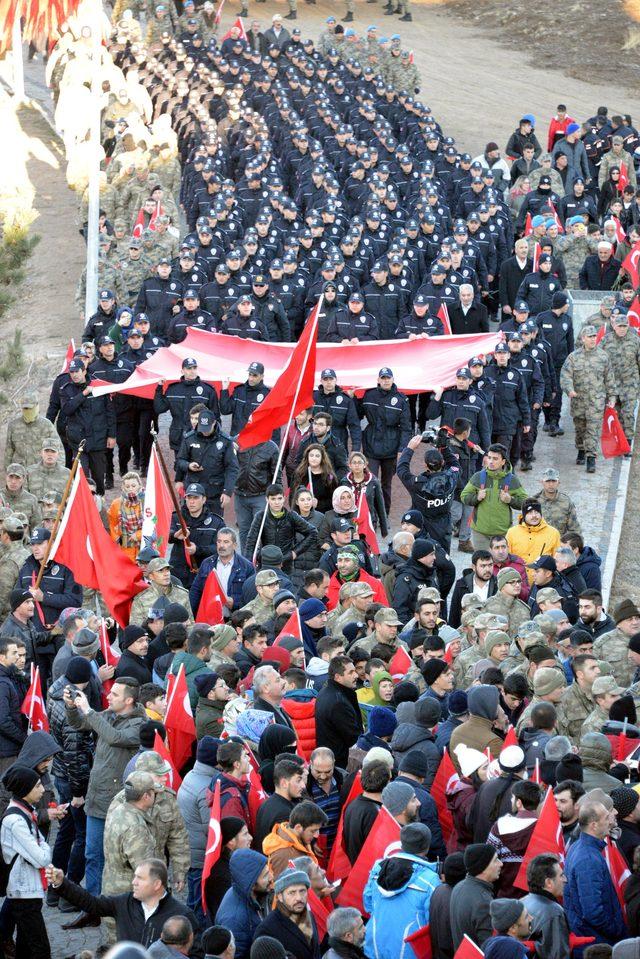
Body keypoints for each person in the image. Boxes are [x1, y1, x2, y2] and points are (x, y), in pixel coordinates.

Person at [63, 676, 146, 901]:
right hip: (97, 797)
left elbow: (114, 737)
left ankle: (117, 904)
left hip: (119, 802)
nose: (108, 696)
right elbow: (79, 724)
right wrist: (71, 708)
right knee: (92, 854)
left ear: (129, 700)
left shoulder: (139, 724)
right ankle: (93, 904)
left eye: (115, 694)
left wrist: (88, 710)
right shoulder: (109, 714)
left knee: (118, 857)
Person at [45, 859, 203, 957]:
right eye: (134, 876)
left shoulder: (182, 916)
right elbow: (91, 903)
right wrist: (61, 883)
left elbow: (196, 954)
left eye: (140, 878)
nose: (134, 882)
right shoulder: (124, 902)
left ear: (156, 884)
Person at [363, 822, 440, 959]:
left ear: (402, 844)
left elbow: (367, 904)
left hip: (374, 948)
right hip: (411, 953)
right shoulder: (431, 880)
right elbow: (433, 923)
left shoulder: (377, 869)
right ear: (427, 847)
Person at [0, 765, 52, 959]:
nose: (43, 789)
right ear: (25, 789)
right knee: (40, 949)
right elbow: (42, 858)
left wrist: (42, 846)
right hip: (24, 893)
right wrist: (45, 847)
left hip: (29, 890)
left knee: (26, 947)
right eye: (37, 785)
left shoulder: (25, 812)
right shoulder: (15, 820)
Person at [564, 800, 627, 948]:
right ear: (594, 825)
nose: (610, 821)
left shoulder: (578, 847)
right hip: (596, 942)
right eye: (606, 818)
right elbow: (592, 911)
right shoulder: (588, 859)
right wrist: (616, 930)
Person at [560, 325, 617, 473]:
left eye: (594, 336)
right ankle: (581, 449)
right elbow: (565, 375)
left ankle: (591, 458)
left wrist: (612, 396)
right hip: (579, 401)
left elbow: (609, 378)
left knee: (593, 429)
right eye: (589, 337)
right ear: (583, 338)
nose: (592, 339)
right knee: (580, 428)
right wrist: (570, 390)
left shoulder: (603, 357)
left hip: (596, 401)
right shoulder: (573, 357)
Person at [215, 850, 272, 959]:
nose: (271, 878)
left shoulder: (248, 893)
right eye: (265, 876)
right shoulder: (234, 921)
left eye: (268, 872)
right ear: (251, 882)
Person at [253, 867, 320, 959]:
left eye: (302, 891)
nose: (299, 898)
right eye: (292, 893)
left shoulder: (310, 916)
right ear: (280, 896)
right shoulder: (267, 929)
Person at [449, 844, 502, 948]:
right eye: (496, 860)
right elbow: (489, 949)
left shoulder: (459, 887)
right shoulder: (484, 903)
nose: (501, 864)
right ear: (483, 866)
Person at [315, 655, 363, 768]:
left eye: (355, 671)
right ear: (338, 677)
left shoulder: (326, 691)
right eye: (350, 672)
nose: (356, 675)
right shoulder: (338, 702)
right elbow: (353, 738)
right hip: (340, 763)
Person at [522, 854, 570, 959]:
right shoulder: (553, 912)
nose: (565, 880)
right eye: (561, 875)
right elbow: (558, 956)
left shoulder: (523, 901)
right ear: (548, 882)